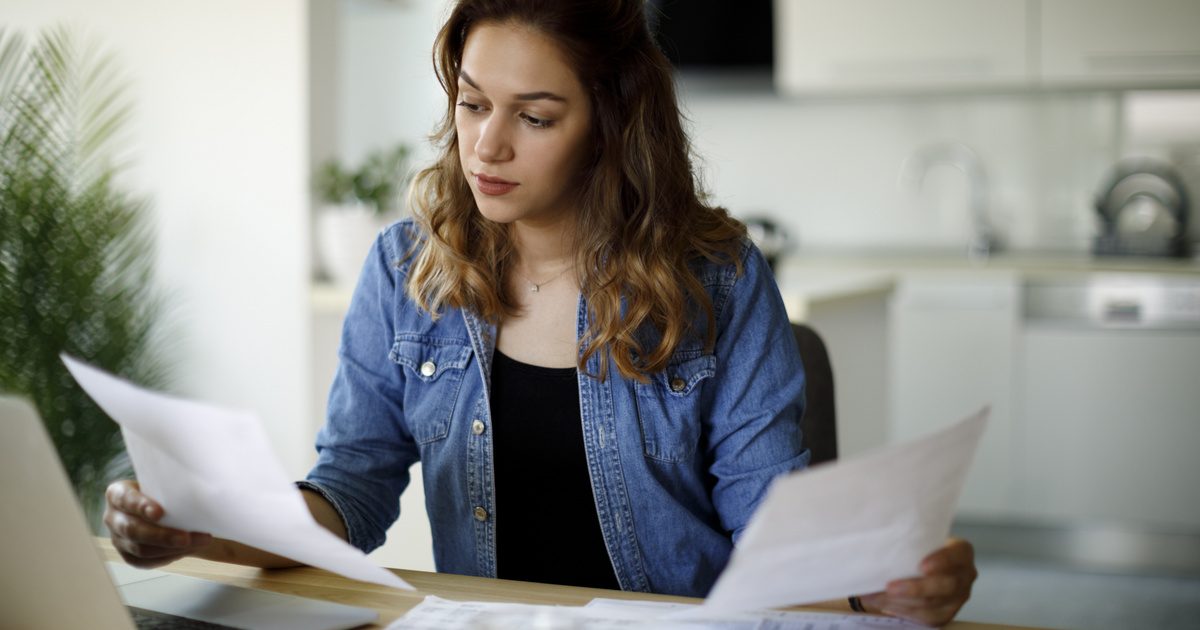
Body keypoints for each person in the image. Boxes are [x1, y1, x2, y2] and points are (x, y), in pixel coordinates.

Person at [104, 0, 977, 624]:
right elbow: (351, 490)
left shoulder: (718, 280)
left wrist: (885, 590)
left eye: (536, 116)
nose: (486, 144)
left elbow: (774, 534)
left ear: (610, 125)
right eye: (473, 102)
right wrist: (209, 530)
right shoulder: (406, 271)